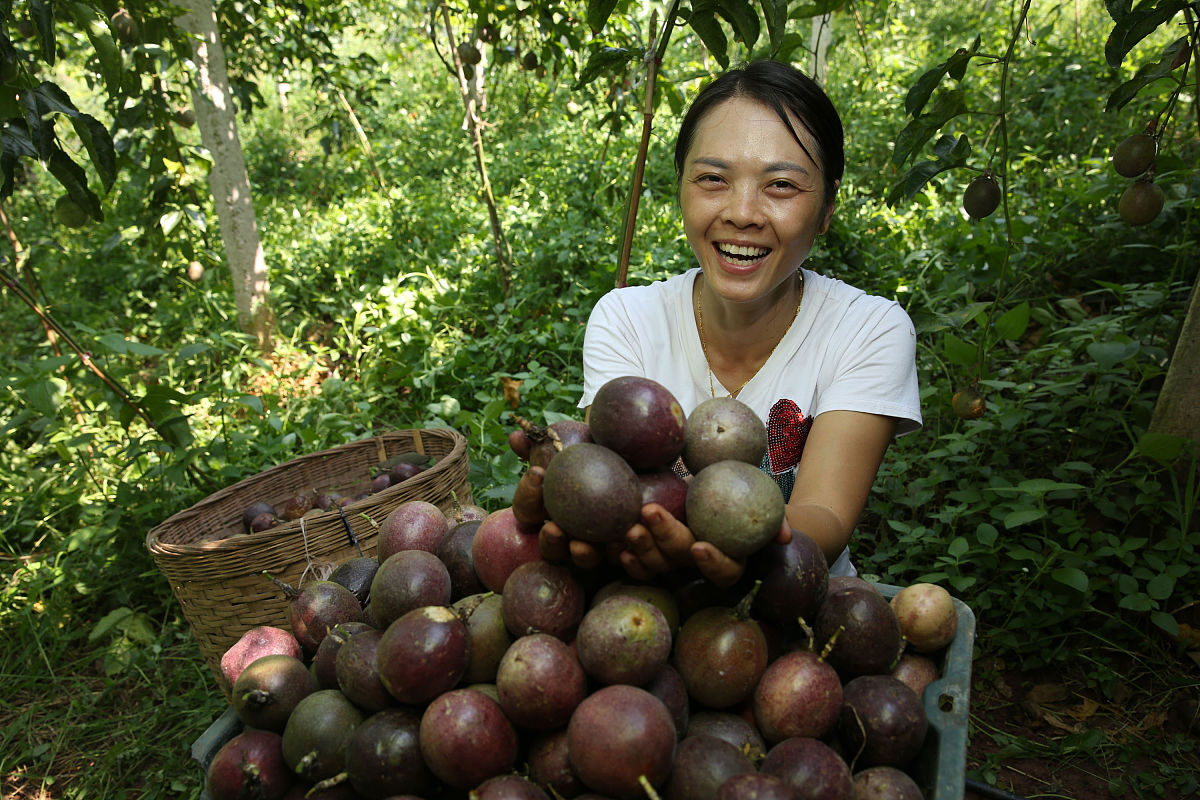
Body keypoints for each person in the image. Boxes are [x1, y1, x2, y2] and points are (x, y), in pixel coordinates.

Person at [513, 59, 921, 588]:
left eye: (780, 185)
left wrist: (710, 538)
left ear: (826, 209)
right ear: (681, 187)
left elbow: (825, 516)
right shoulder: (627, 319)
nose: (742, 212)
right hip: (646, 600)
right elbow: (617, 482)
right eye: (713, 179)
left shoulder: (868, 329)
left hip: (796, 598)